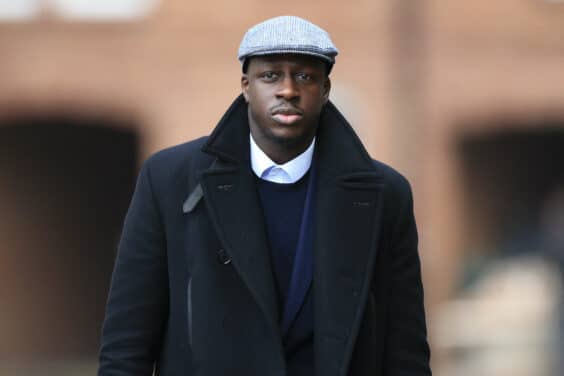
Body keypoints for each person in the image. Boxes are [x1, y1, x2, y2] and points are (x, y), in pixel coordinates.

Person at [98, 15, 431, 376]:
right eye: (270, 75)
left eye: (304, 76)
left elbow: (406, 351)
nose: (288, 90)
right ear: (245, 86)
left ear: (326, 90)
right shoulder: (169, 180)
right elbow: (126, 344)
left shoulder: (385, 195)